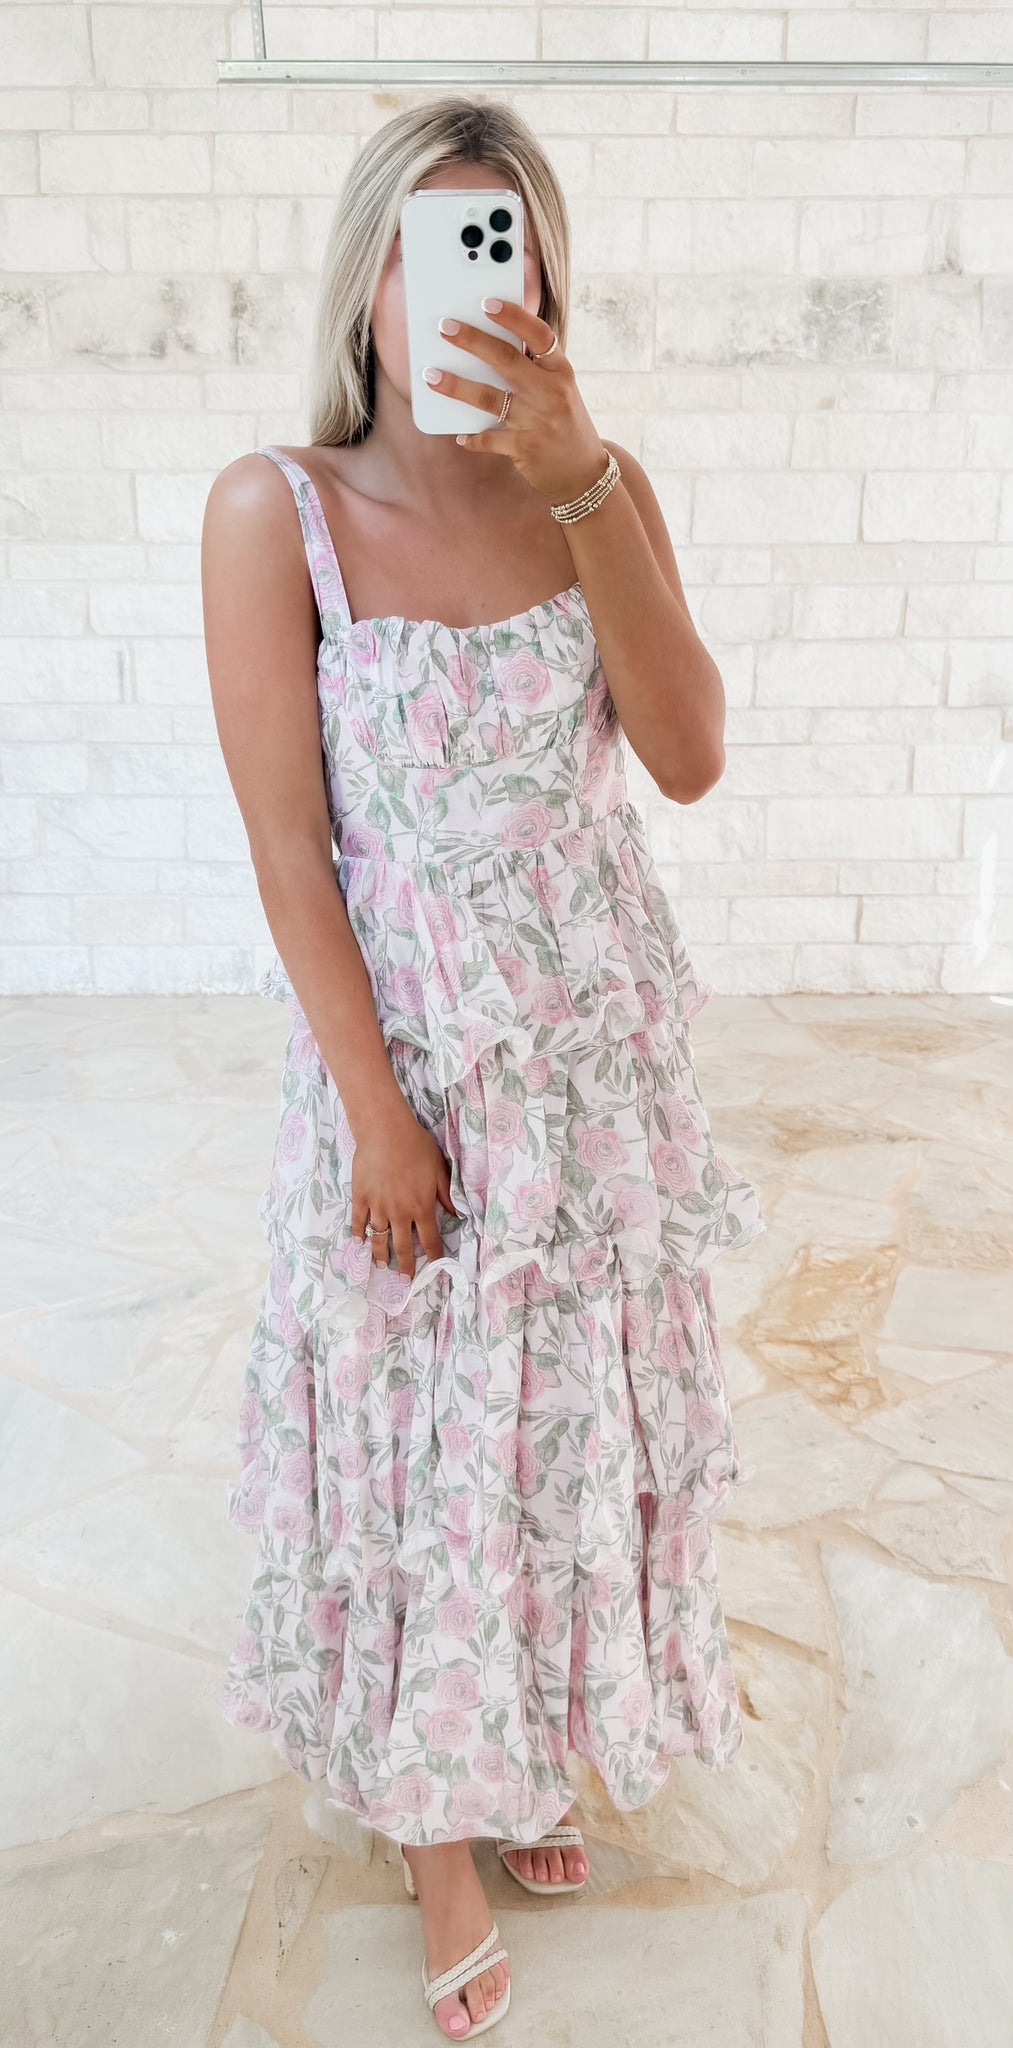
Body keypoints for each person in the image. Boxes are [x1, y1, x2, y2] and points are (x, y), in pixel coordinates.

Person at [201, 93, 766, 2041]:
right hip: (413, 1056)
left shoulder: (593, 488)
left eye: (501, 245)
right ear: (368, 282)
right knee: (424, 1440)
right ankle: (432, 1836)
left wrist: (585, 478)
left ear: (542, 282)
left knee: (554, 1430)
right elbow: (290, 847)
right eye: (434, 246)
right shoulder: (277, 510)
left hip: (592, 1064)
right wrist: (377, 1112)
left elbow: (685, 757)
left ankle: (523, 1736)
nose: (469, 282)